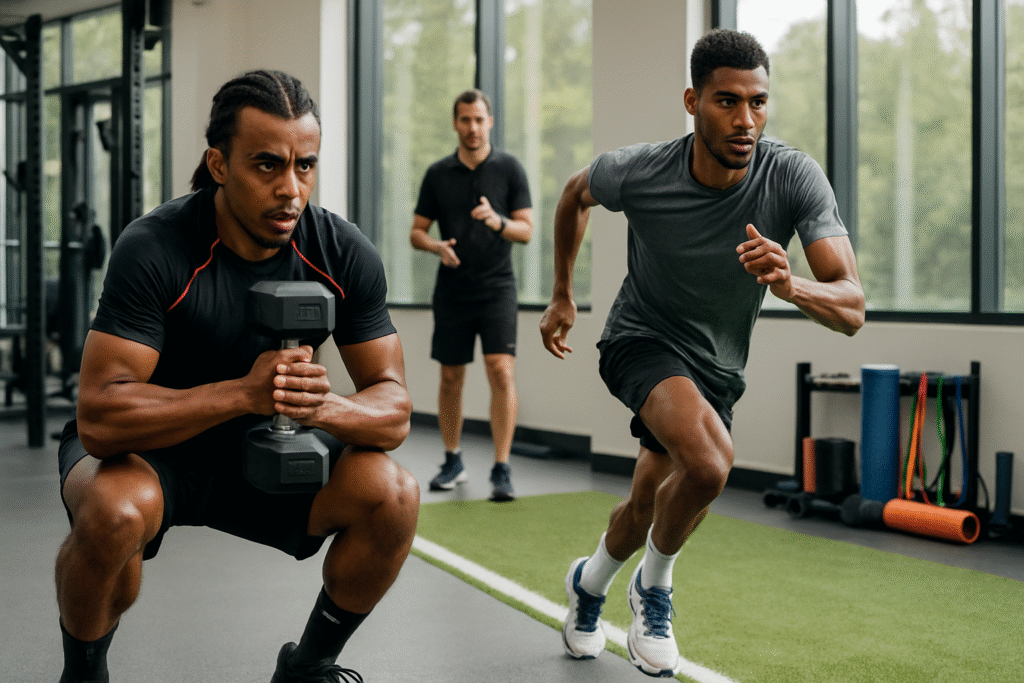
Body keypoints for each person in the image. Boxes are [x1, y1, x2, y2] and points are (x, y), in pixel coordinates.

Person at [54, 70, 419, 683]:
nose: (290, 189)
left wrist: (320, 406)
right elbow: (98, 417)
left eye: (305, 166)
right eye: (267, 166)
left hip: (272, 452)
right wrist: (244, 393)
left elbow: (394, 408)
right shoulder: (155, 247)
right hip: (153, 456)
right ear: (218, 165)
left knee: (395, 494)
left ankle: (309, 666)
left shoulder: (341, 253)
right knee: (113, 515)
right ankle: (83, 674)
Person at [540, 30, 865, 678]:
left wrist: (789, 282)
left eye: (758, 102)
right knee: (712, 463)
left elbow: (852, 307)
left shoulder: (791, 175)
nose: (745, 119)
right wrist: (562, 294)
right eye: (726, 101)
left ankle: (590, 582)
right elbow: (576, 193)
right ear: (693, 101)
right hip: (640, 339)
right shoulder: (641, 169)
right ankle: (652, 589)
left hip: (716, 369)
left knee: (647, 504)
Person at [410, 89, 533, 502]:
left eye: (479, 120)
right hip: (453, 290)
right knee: (451, 377)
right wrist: (436, 247)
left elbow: (527, 231)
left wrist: (497, 221)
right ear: (455, 123)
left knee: (501, 370)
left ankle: (501, 467)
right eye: (465, 120)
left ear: (490, 122)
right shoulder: (437, 173)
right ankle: (453, 458)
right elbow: (416, 231)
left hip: (497, 287)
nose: (473, 127)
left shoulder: (510, 169)